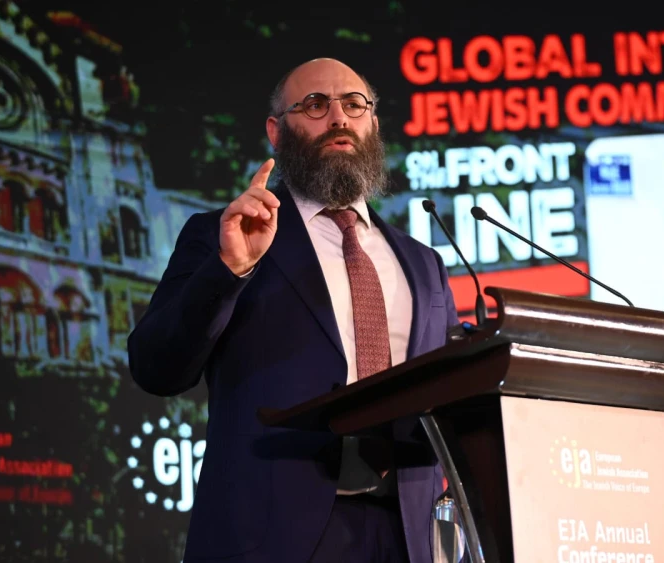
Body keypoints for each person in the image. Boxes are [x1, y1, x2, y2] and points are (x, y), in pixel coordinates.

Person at [127, 58, 460, 563]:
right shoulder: (225, 235)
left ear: (372, 123)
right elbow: (156, 366)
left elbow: (451, 396)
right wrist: (229, 270)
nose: (338, 119)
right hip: (271, 538)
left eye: (354, 105)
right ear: (276, 132)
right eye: (315, 105)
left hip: (407, 536)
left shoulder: (423, 263)